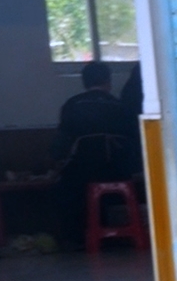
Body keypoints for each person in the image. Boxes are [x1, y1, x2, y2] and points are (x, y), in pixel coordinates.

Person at [53, 60, 143, 238]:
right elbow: (135, 140)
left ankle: (75, 238)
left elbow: (62, 142)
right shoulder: (122, 107)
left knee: (63, 189)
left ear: (84, 82)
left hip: (82, 172)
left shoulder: (73, 105)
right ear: (108, 81)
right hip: (118, 172)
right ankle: (119, 237)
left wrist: (55, 161)